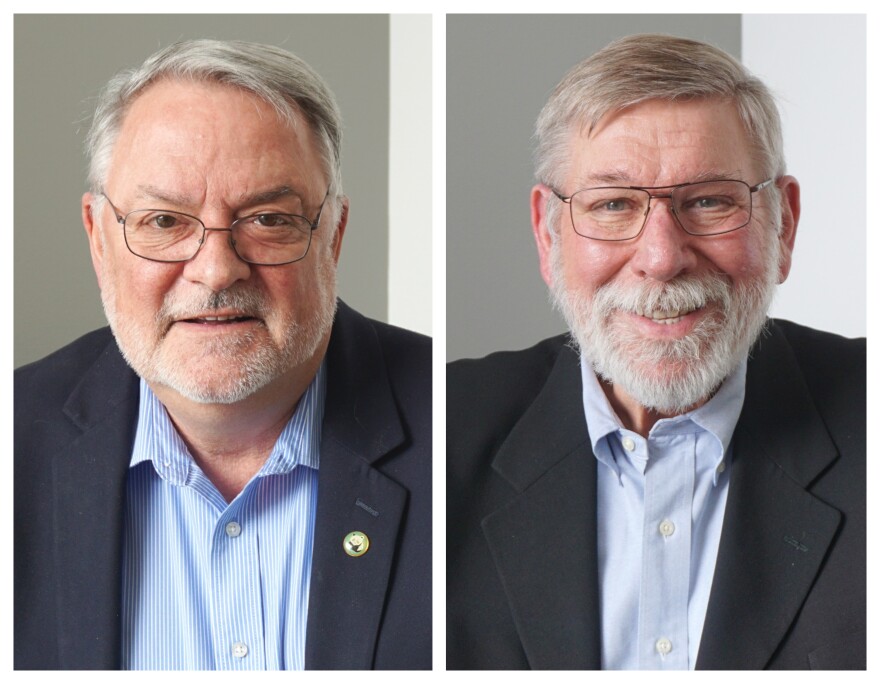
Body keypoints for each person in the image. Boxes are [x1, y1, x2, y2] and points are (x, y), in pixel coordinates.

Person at [447, 34, 864, 670]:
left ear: (785, 224)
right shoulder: (438, 431)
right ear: (546, 233)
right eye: (613, 205)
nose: (661, 258)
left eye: (709, 201)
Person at [15, 39, 431, 670]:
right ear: (99, 239)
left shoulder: (462, 434)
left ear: (333, 237)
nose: (214, 271)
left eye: (267, 219)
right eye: (163, 222)